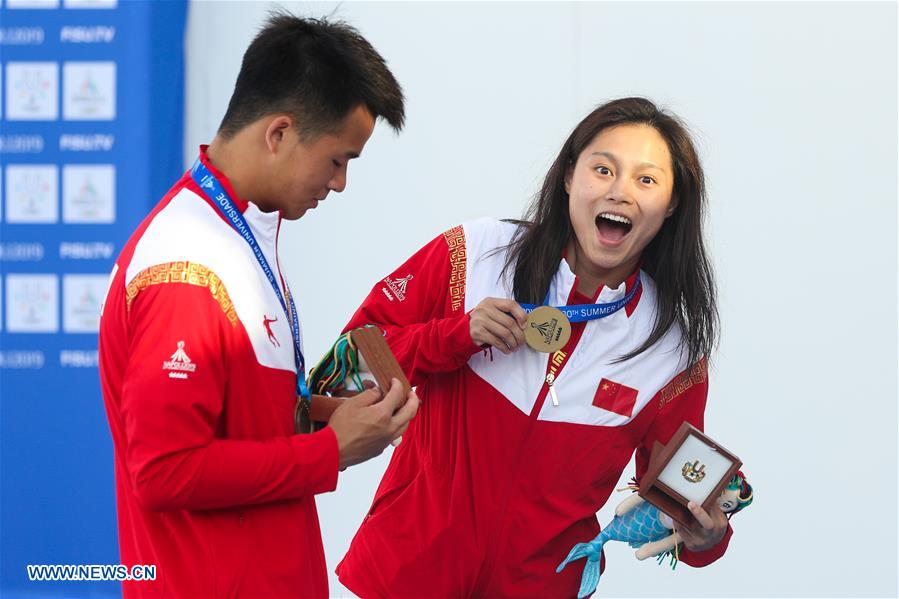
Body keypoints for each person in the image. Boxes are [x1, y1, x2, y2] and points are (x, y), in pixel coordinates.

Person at [335, 97, 732, 597]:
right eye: (603, 169)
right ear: (570, 176)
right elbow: (347, 364)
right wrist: (454, 336)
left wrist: (707, 538)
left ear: (672, 205)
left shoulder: (671, 346)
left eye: (646, 180)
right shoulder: (475, 254)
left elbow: (684, 497)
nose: (620, 192)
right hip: (404, 577)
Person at [98, 14, 418, 598]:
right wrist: (328, 451)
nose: (340, 183)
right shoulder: (187, 265)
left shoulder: (232, 234)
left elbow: (236, 420)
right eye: (338, 159)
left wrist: (327, 414)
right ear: (279, 134)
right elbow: (165, 471)